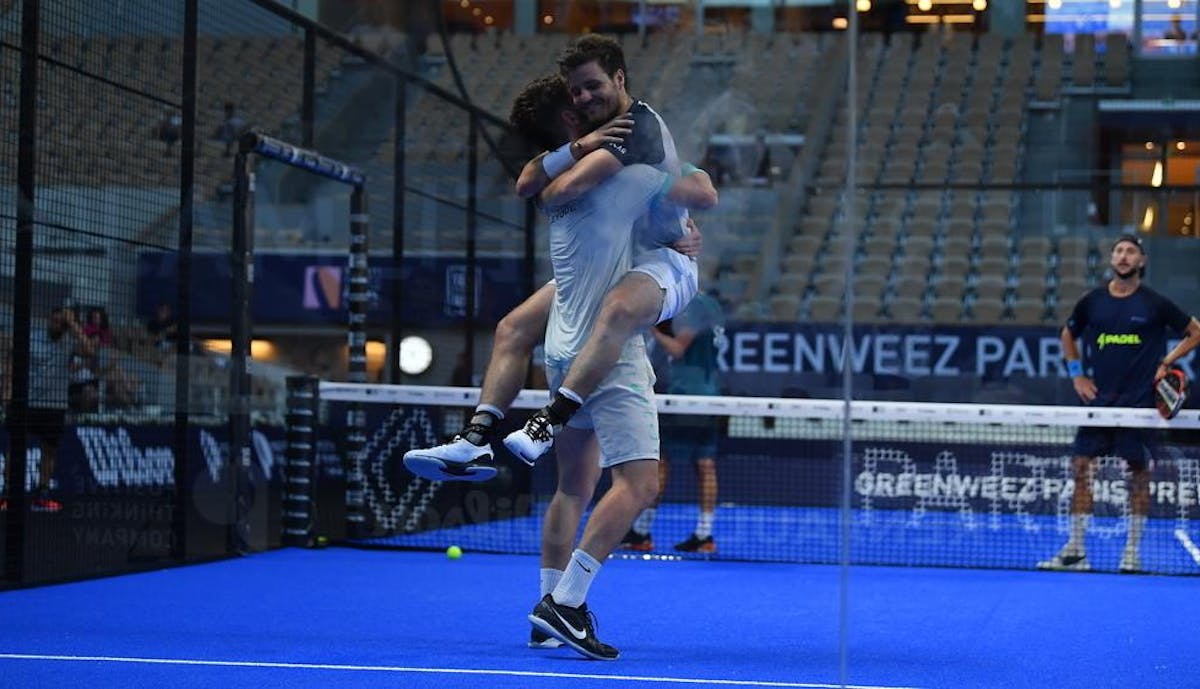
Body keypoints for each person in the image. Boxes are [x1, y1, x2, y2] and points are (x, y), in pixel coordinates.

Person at [404, 34, 714, 482]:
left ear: (619, 78)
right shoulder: (591, 140)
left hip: (665, 261)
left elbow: (559, 192)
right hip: (623, 258)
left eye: (592, 86)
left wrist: (680, 213)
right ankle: (473, 441)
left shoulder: (635, 127)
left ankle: (550, 421)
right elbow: (527, 182)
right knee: (512, 327)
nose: (585, 97)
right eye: (577, 91)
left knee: (615, 311)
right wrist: (576, 150)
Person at [1038, 234, 1200, 573]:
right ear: (1112, 260)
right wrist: (1077, 375)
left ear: (1141, 262)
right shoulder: (1092, 301)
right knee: (1082, 468)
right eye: (1119, 251)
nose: (1124, 256)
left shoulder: (1154, 303)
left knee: (1139, 476)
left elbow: (1195, 331)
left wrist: (1167, 361)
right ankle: (1076, 552)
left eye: (1131, 252)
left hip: (1139, 405)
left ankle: (1131, 553)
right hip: (1099, 403)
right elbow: (1069, 333)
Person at [621, 289, 726, 554]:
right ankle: (704, 535)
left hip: (684, 396)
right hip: (710, 393)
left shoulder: (690, 306)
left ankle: (641, 532)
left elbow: (679, 349)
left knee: (661, 462)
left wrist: (652, 330)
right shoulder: (713, 304)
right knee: (705, 464)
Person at [4, 306, 93, 512]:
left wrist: (72, 324)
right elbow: (13, 361)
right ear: (47, 320)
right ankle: (7, 492)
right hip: (27, 403)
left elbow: (89, 350)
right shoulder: (32, 338)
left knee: (49, 451)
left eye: (61, 322)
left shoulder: (69, 341)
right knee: (16, 448)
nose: (57, 324)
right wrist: (8, 389)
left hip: (54, 407)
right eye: (54, 320)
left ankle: (42, 494)